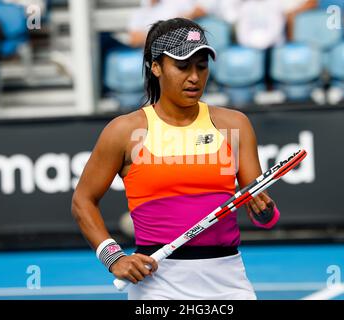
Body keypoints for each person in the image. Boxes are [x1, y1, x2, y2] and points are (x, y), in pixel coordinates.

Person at [71, 18, 281, 300]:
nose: (194, 76)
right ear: (155, 67)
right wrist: (113, 257)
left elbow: (263, 215)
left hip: (228, 282)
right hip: (157, 285)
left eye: (202, 66)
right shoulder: (125, 132)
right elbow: (82, 200)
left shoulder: (234, 126)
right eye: (182, 66)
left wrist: (265, 211)